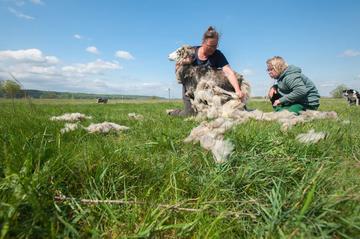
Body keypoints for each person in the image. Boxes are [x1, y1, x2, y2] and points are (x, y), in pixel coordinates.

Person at [170, 26, 244, 116]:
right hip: (189, 90)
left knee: (216, 113)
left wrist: (238, 90)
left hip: (207, 92)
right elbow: (177, 71)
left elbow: (228, 72)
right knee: (189, 113)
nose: (213, 49)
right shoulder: (191, 52)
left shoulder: (218, 55)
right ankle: (173, 112)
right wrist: (184, 63)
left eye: (215, 46)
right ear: (203, 42)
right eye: (210, 46)